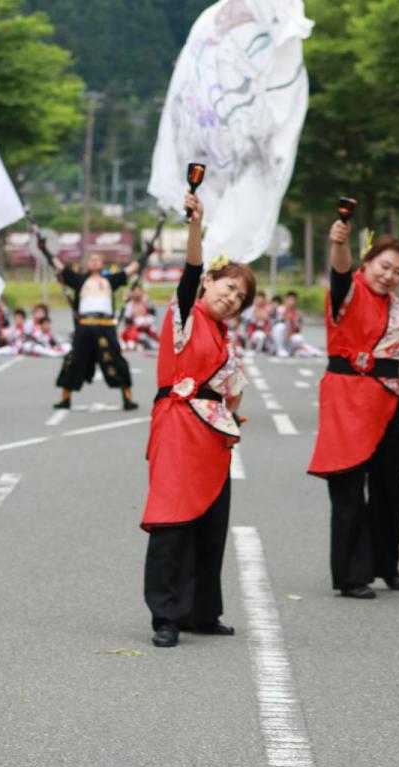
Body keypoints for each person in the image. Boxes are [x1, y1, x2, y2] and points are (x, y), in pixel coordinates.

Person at [141, 191, 254, 648]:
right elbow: (189, 270)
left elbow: (231, 386)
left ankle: (201, 612)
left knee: (210, 521)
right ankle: (166, 616)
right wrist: (195, 225)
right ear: (209, 281)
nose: (232, 298)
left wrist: (233, 412)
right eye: (229, 287)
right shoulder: (185, 313)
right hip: (177, 426)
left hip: (213, 436)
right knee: (172, 520)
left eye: (241, 297)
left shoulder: (223, 335)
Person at [308, 222, 399, 599]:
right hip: (348, 400)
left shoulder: (397, 306)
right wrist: (338, 241)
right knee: (349, 487)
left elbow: (393, 346)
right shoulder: (350, 290)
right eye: (384, 266)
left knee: (391, 486)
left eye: (398, 271)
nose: (389, 276)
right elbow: (339, 268)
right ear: (367, 262)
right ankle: (351, 575)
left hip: (388, 400)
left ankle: (387, 564)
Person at [38, 236, 140, 411]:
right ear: (87, 264)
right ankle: (65, 398)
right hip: (85, 325)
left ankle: (127, 398)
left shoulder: (110, 281)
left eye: (97, 259)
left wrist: (147, 254)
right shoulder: (79, 280)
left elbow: (130, 270)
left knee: (116, 360)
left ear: (102, 264)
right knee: (74, 360)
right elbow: (59, 266)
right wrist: (44, 250)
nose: (94, 261)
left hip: (105, 325)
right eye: (91, 259)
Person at [271, 290, 320, 357]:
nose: (291, 302)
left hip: (289, 338)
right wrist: (285, 318)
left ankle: (308, 350)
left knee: (298, 338)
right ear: (286, 299)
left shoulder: (297, 313)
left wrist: (293, 322)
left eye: (293, 300)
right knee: (280, 326)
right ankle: (280, 349)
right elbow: (273, 323)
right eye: (290, 299)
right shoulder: (280, 309)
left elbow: (298, 329)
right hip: (277, 339)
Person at [120, 285, 158, 352]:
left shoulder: (146, 302)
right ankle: (135, 343)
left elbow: (153, 315)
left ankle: (142, 343)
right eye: (135, 292)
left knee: (155, 345)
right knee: (131, 341)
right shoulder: (129, 305)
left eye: (139, 292)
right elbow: (126, 319)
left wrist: (147, 322)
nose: (137, 294)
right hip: (134, 328)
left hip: (146, 327)